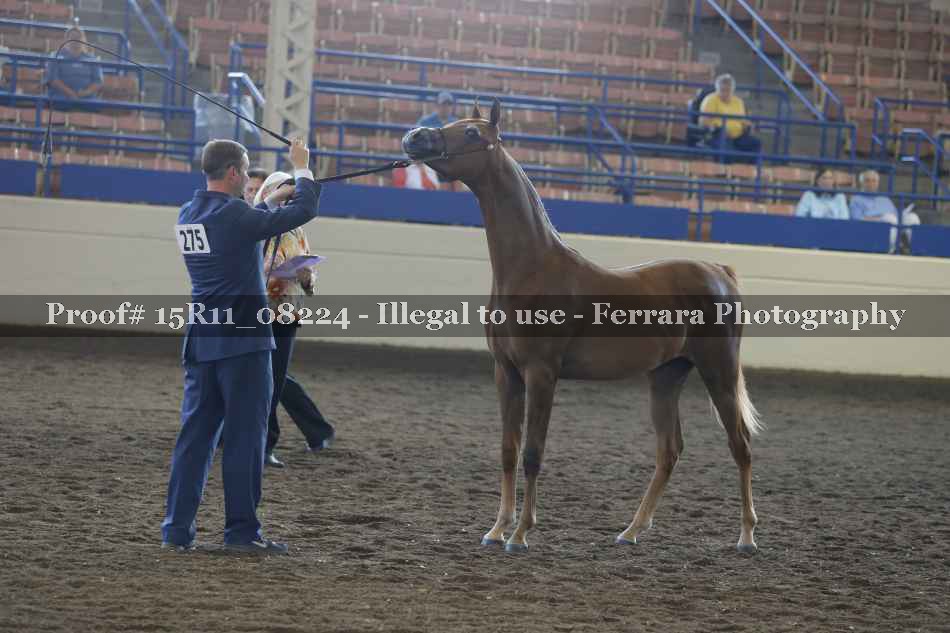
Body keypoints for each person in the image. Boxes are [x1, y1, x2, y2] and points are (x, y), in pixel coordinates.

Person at [161, 137, 320, 554]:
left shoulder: (188, 212)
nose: (248, 176)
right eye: (246, 171)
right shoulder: (235, 216)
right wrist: (302, 168)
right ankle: (242, 533)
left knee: (194, 440)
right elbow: (304, 210)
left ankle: (176, 530)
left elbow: (237, 225)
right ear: (233, 173)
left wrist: (270, 202)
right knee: (246, 439)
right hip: (244, 345)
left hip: (202, 341)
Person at [252, 171, 336, 468]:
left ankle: (266, 442)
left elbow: (310, 273)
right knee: (267, 379)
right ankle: (269, 441)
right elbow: (251, 265)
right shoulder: (258, 224)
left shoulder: (297, 231)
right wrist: (275, 270)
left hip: (286, 312)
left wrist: (306, 276)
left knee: (273, 379)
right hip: (258, 310)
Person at [850, 169, 921, 253]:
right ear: (862, 183)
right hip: (872, 228)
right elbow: (857, 219)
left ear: (878, 183)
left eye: (874, 181)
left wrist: (904, 213)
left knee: (912, 217)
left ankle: (916, 250)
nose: (871, 184)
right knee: (890, 218)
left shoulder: (884, 199)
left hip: (892, 221)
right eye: (867, 181)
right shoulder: (856, 199)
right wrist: (880, 218)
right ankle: (891, 250)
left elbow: (896, 215)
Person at [699, 74, 761, 163]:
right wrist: (714, 128)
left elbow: (743, 120)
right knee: (728, 151)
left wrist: (750, 125)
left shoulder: (738, 102)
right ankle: (727, 168)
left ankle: (751, 169)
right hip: (718, 135)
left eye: (728, 90)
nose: (725, 93)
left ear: (733, 90)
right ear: (717, 89)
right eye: (722, 90)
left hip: (738, 135)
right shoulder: (710, 100)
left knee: (755, 144)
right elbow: (703, 121)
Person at [47, 25, 103, 105]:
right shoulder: (55, 56)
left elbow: (98, 81)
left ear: (84, 40)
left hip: (87, 100)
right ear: (66, 40)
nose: (76, 40)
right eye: (72, 37)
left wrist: (85, 92)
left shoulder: (92, 59)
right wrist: (70, 93)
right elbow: (53, 79)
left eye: (78, 37)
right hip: (60, 99)